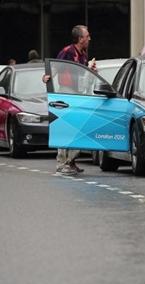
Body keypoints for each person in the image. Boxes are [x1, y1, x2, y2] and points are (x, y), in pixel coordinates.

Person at [53, 25, 96, 176]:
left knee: (77, 128)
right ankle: (63, 163)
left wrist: (91, 71)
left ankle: (70, 161)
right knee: (67, 128)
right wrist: (47, 77)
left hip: (78, 94)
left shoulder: (83, 55)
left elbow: (83, 76)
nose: (89, 39)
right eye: (87, 36)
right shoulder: (67, 52)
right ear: (80, 39)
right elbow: (54, 67)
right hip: (67, 93)